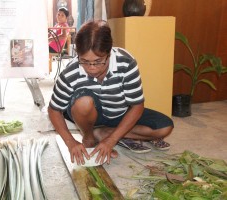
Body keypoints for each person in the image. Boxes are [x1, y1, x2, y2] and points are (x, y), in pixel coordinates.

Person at [48, 20, 174, 166]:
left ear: (109, 52)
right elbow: (54, 109)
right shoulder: (71, 71)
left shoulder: (126, 62)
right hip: (89, 115)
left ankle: (103, 134)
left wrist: (111, 140)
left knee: (164, 127)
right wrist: (70, 142)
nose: (91, 68)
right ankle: (89, 137)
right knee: (84, 102)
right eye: (84, 61)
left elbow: (137, 106)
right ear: (78, 55)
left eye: (98, 61)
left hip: (119, 113)